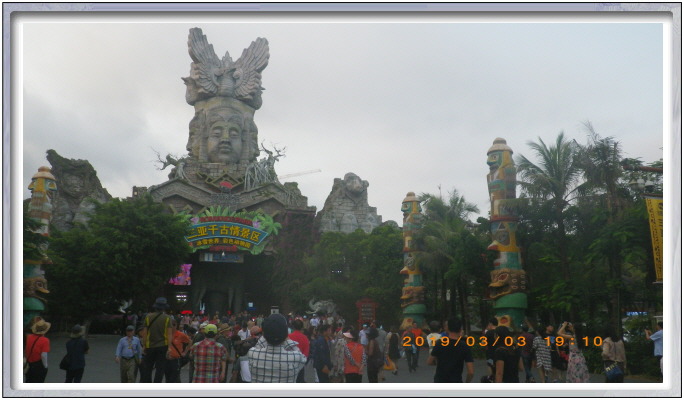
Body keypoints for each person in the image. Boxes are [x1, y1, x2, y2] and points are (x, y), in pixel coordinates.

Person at [248, 314, 307, 383]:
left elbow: (259, 345)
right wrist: (286, 337)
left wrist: (265, 332)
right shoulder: (296, 357)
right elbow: (303, 358)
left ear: (264, 334)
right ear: (285, 333)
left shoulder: (252, 354)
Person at [427, 317, 474, 383]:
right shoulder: (465, 346)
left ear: (447, 328)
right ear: (460, 329)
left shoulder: (439, 343)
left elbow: (429, 362)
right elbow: (471, 372)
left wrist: (439, 364)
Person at [139, 297, 174, 383]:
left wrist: (144, 346)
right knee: (160, 369)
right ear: (164, 308)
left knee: (148, 368)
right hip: (163, 346)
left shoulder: (148, 317)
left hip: (150, 346)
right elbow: (169, 334)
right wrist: (169, 347)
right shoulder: (167, 318)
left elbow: (145, 333)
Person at [25, 318, 51, 383]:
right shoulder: (45, 340)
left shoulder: (29, 337)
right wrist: (45, 366)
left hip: (29, 363)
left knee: (29, 381)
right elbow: (44, 355)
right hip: (38, 365)